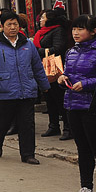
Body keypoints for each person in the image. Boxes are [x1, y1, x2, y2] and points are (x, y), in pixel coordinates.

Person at [0, 11, 50, 164]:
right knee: (2, 122)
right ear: (2, 26)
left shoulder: (27, 44)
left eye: (15, 24)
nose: (13, 28)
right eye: (9, 25)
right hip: (3, 90)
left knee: (27, 123)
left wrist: (44, 85)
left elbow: (37, 66)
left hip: (26, 90)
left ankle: (28, 154)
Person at [59, 15, 96, 192]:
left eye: (81, 29)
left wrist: (86, 84)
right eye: (74, 29)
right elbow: (68, 72)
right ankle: (86, 187)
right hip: (73, 103)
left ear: (94, 31)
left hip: (93, 105)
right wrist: (64, 78)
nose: (76, 33)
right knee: (82, 148)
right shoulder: (71, 51)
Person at [33, 9, 70, 138]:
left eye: (43, 18)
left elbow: (59, 48)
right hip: (44, 68)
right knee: (49, 98)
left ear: (50, 19)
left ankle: (67, 128)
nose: (40, 20)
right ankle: (53, 126)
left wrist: (40, 51)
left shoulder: (58, 30)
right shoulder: (41, 33)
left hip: (56, 68)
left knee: (59, 97)